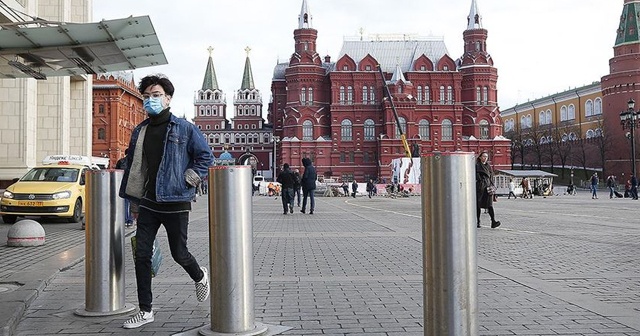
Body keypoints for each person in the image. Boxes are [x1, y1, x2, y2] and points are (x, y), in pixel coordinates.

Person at [119, 74, 214, 329]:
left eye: (156, 95)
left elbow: (205, 156)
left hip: (175, 201)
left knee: (178, 253)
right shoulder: (140, 130)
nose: (151, 100)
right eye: (147, 96)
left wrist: (188, 179)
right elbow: (136, 167)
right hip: (149, 201)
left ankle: (200, 275)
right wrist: (135, 203)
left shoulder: (184, 127)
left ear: (168, 98)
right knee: (142, 255)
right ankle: (145, 310)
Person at [475, 151, 501, 228]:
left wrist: (492, 185)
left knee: (489, 205)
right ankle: (478, 221)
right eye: (483, 156)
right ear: (480, 157)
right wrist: (480, 180)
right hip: (480, 187)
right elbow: (475, 175)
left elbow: (491, 176)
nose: (485, 158)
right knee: (478, 205)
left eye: (486, 157)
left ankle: (493, 221)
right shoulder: (477, 165)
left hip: (488, 187)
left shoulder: (488, 166)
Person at [115, 154, 134, 227]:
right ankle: (130, 220)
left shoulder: (121, 161)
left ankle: (125, 220)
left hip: (123, 184)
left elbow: (116, 173)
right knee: (132, 203)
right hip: (132, 184)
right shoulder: (134, 161)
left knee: (125, 203)